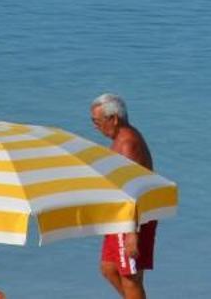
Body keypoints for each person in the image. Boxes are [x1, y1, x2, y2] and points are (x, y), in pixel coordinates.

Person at [90, 93, 156, 299]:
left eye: (97, 121)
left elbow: (133, 189)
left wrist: (131, 233)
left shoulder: (128, 143)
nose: (95, 126)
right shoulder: (121, 138)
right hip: (120, 217)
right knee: (109, 268)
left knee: (130, 276)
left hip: (130, 219)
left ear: (114, 119)